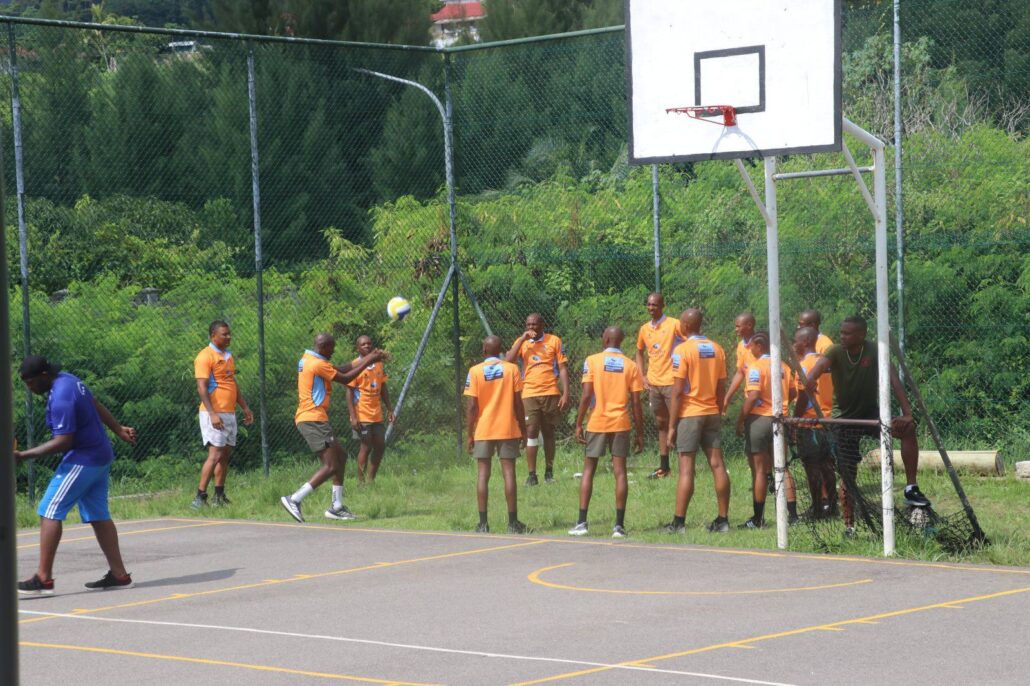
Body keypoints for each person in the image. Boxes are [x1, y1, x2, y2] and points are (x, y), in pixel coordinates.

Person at [13, 356, 137, 595]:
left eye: (30, 383)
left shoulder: (61, 396)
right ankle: (120, 575)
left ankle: (43, 579)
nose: (29, 388)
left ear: (44, 376)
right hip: (100, 454)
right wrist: (118, 429)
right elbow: (94, 403)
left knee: (49, 510)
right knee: (99, 515)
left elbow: (63, 442)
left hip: (84, 459)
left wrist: (23, 456)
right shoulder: (68, 380)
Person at [803, 316, 931, 526]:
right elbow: (817, 369)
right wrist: (810, 380)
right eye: (841, 332)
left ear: (861, 335)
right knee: (848, 473)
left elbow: (894, 380)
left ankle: (911, 488)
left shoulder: (874, 350)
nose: (842, 336)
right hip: (844, 419)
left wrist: (907, 413)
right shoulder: (835, 351)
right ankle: (849, 525)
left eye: (847, 333)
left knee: (908, 429)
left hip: (870, 413)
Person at [280, 334, 384, 523]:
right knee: (331, 465)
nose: (334, 351)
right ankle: (294, 499)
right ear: (324, 347)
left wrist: (368, 357)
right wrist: (369, 360)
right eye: (332, 348)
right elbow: (346, 378)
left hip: (314, 418)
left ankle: (336, 507)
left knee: (341, 456)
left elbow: (340, 369)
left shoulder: (309, 358)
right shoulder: (317, 364)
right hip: (313, 419)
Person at [570, 327, 644, 538]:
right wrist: (640, 433)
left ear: (606, 339)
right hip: (621, 423)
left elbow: (586, 395)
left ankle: (582, 523)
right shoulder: (631, 365)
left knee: (588, 470)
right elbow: (636, 403)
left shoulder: (592, 361)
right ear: (620, 341)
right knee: (620, 472)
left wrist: (578, 423)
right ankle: (619, 526)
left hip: (597, 422)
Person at [663, 309, 732, 533]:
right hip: (712, 411)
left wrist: (671, 426)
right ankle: (723, 520)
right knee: (718, 464)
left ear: (685, 325)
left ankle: (678, 523)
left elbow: (677, 392)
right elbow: (721, 386)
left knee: (686, 469)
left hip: (690, 414)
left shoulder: (682, 350)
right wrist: (718, 410)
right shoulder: (717, 349)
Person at [466, 336, 529, 534]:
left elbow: (472, 406)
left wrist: (470, 434)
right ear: (501, 350)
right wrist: (523, 430)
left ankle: (483, 524)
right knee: (509, 473)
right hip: (507, 427)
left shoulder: (475, 371)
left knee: (483, 475)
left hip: (484, 429)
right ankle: (513, 523)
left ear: (484, 351)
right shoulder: (511, 369)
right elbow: (518, 404)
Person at [735, 332, 797, 529]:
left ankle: (758, 518)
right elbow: (793, 391)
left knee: (760, 471)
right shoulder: (784, 366)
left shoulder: (756, 366)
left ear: (760, 346)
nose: (749, 349)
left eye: (751, 346)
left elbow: (753, 396)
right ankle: (793, 516)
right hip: (781, 419)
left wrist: (740, 420)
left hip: (759, 419)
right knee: (783, 467)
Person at [192, 320, 253, 509]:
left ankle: (219, 495)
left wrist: (245, 407)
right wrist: (212, 414)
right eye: (224, 334)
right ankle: (199, 497)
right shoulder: (204, 356)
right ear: (213, 336)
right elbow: (202, 388)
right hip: (214, 413)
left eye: (229, 333)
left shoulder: (228, 356)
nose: (229, 337)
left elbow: (232, 383)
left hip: (229, 412)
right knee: (215, 454)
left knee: (225, 455)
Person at [505, 313, 569, 485]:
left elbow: (562, 368)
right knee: (531, 431)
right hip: (529, 393)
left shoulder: (554, 341)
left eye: (534, 324)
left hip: (550, 392)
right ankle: (532, 475)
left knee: (549, 431)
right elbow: (508, 360)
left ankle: (549, 472)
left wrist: (565, 393)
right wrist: (522, 339)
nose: (531, 327)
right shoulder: (522, 342)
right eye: (528, 324)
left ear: (542, 325)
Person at [634, 293, 683, 479]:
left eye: (654, 304)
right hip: (654, 384)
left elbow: (689, 343)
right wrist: (642, 375)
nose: (651, 308)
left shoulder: (674, 324)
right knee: (661, 423)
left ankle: (685, 468)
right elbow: (639, 352)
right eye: (648, 304)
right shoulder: (644, 329)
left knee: (677, 424)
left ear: (662, 305)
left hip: (672, 382)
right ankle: (664, 467)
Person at [791, 327, 837, 520]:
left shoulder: (805, 365)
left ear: (805, 342)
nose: (794, 344)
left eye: (796, 340)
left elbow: (803, 397)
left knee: (812, 467)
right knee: (827, 466)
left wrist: (794, 420)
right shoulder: (826, 362)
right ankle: (832, 506)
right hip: (828, 420)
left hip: (810, 423)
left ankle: (817, 508)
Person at [346, 335, 394, 484]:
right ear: (358, 348)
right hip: (362, 414)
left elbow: (383, 387)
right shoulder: (355, 365)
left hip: (377, 414)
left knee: (380, 445)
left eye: (369, 343)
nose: (367, 345)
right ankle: (361, 483)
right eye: (363, 344)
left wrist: (390, 409)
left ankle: (371, 480)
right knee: (366, 446)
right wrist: (353, 417)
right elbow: (349, 392)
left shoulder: (378, 364)